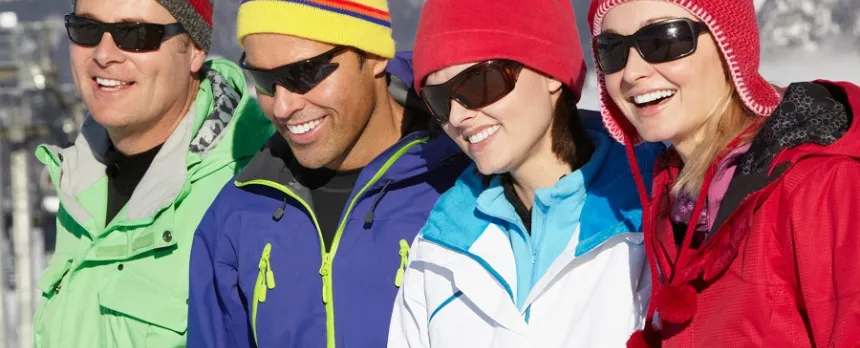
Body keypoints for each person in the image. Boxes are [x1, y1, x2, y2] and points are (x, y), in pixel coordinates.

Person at [185, 0, 469, 347]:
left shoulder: (469, 187)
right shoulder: (235, 217)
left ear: (375, 55)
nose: (283, 106)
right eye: (264, 80)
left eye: (305, 73)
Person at [387, 0, 665, 346]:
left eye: (479, 83)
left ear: (550, 74)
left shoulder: (660, 215)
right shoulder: (437, 250)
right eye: (438, 99)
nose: (457, 117)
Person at [588, 0, 860, 346]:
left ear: (728, 45)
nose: (631, 73)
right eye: (612, 49)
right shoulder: (673, 201)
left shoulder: (821, 187)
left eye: (663, 40)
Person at [32, 0, 274, 346]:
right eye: (87, 29)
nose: (103, 54)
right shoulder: (78, 185)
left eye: (135, 34)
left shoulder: (258, 195)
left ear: (194, 49)